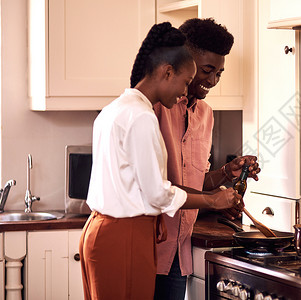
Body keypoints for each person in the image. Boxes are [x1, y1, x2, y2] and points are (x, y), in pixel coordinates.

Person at [79, 22, 240, 300]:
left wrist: (222, 178)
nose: (185, 91)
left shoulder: (114, 109)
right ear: (167, 71)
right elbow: (156, 192)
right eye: (186, 81)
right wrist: (213, 200)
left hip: (104, 232)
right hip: (126, 235)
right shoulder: (143, 116)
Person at [150, 18, 261, 299]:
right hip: (148, 245)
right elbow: (157, 187)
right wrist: (214, 200)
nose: (212, 81)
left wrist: (227, 172)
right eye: (208, 70)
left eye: (219, 74)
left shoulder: (206, 115)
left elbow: (194, 181)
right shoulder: (154, 109)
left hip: (179, 251)